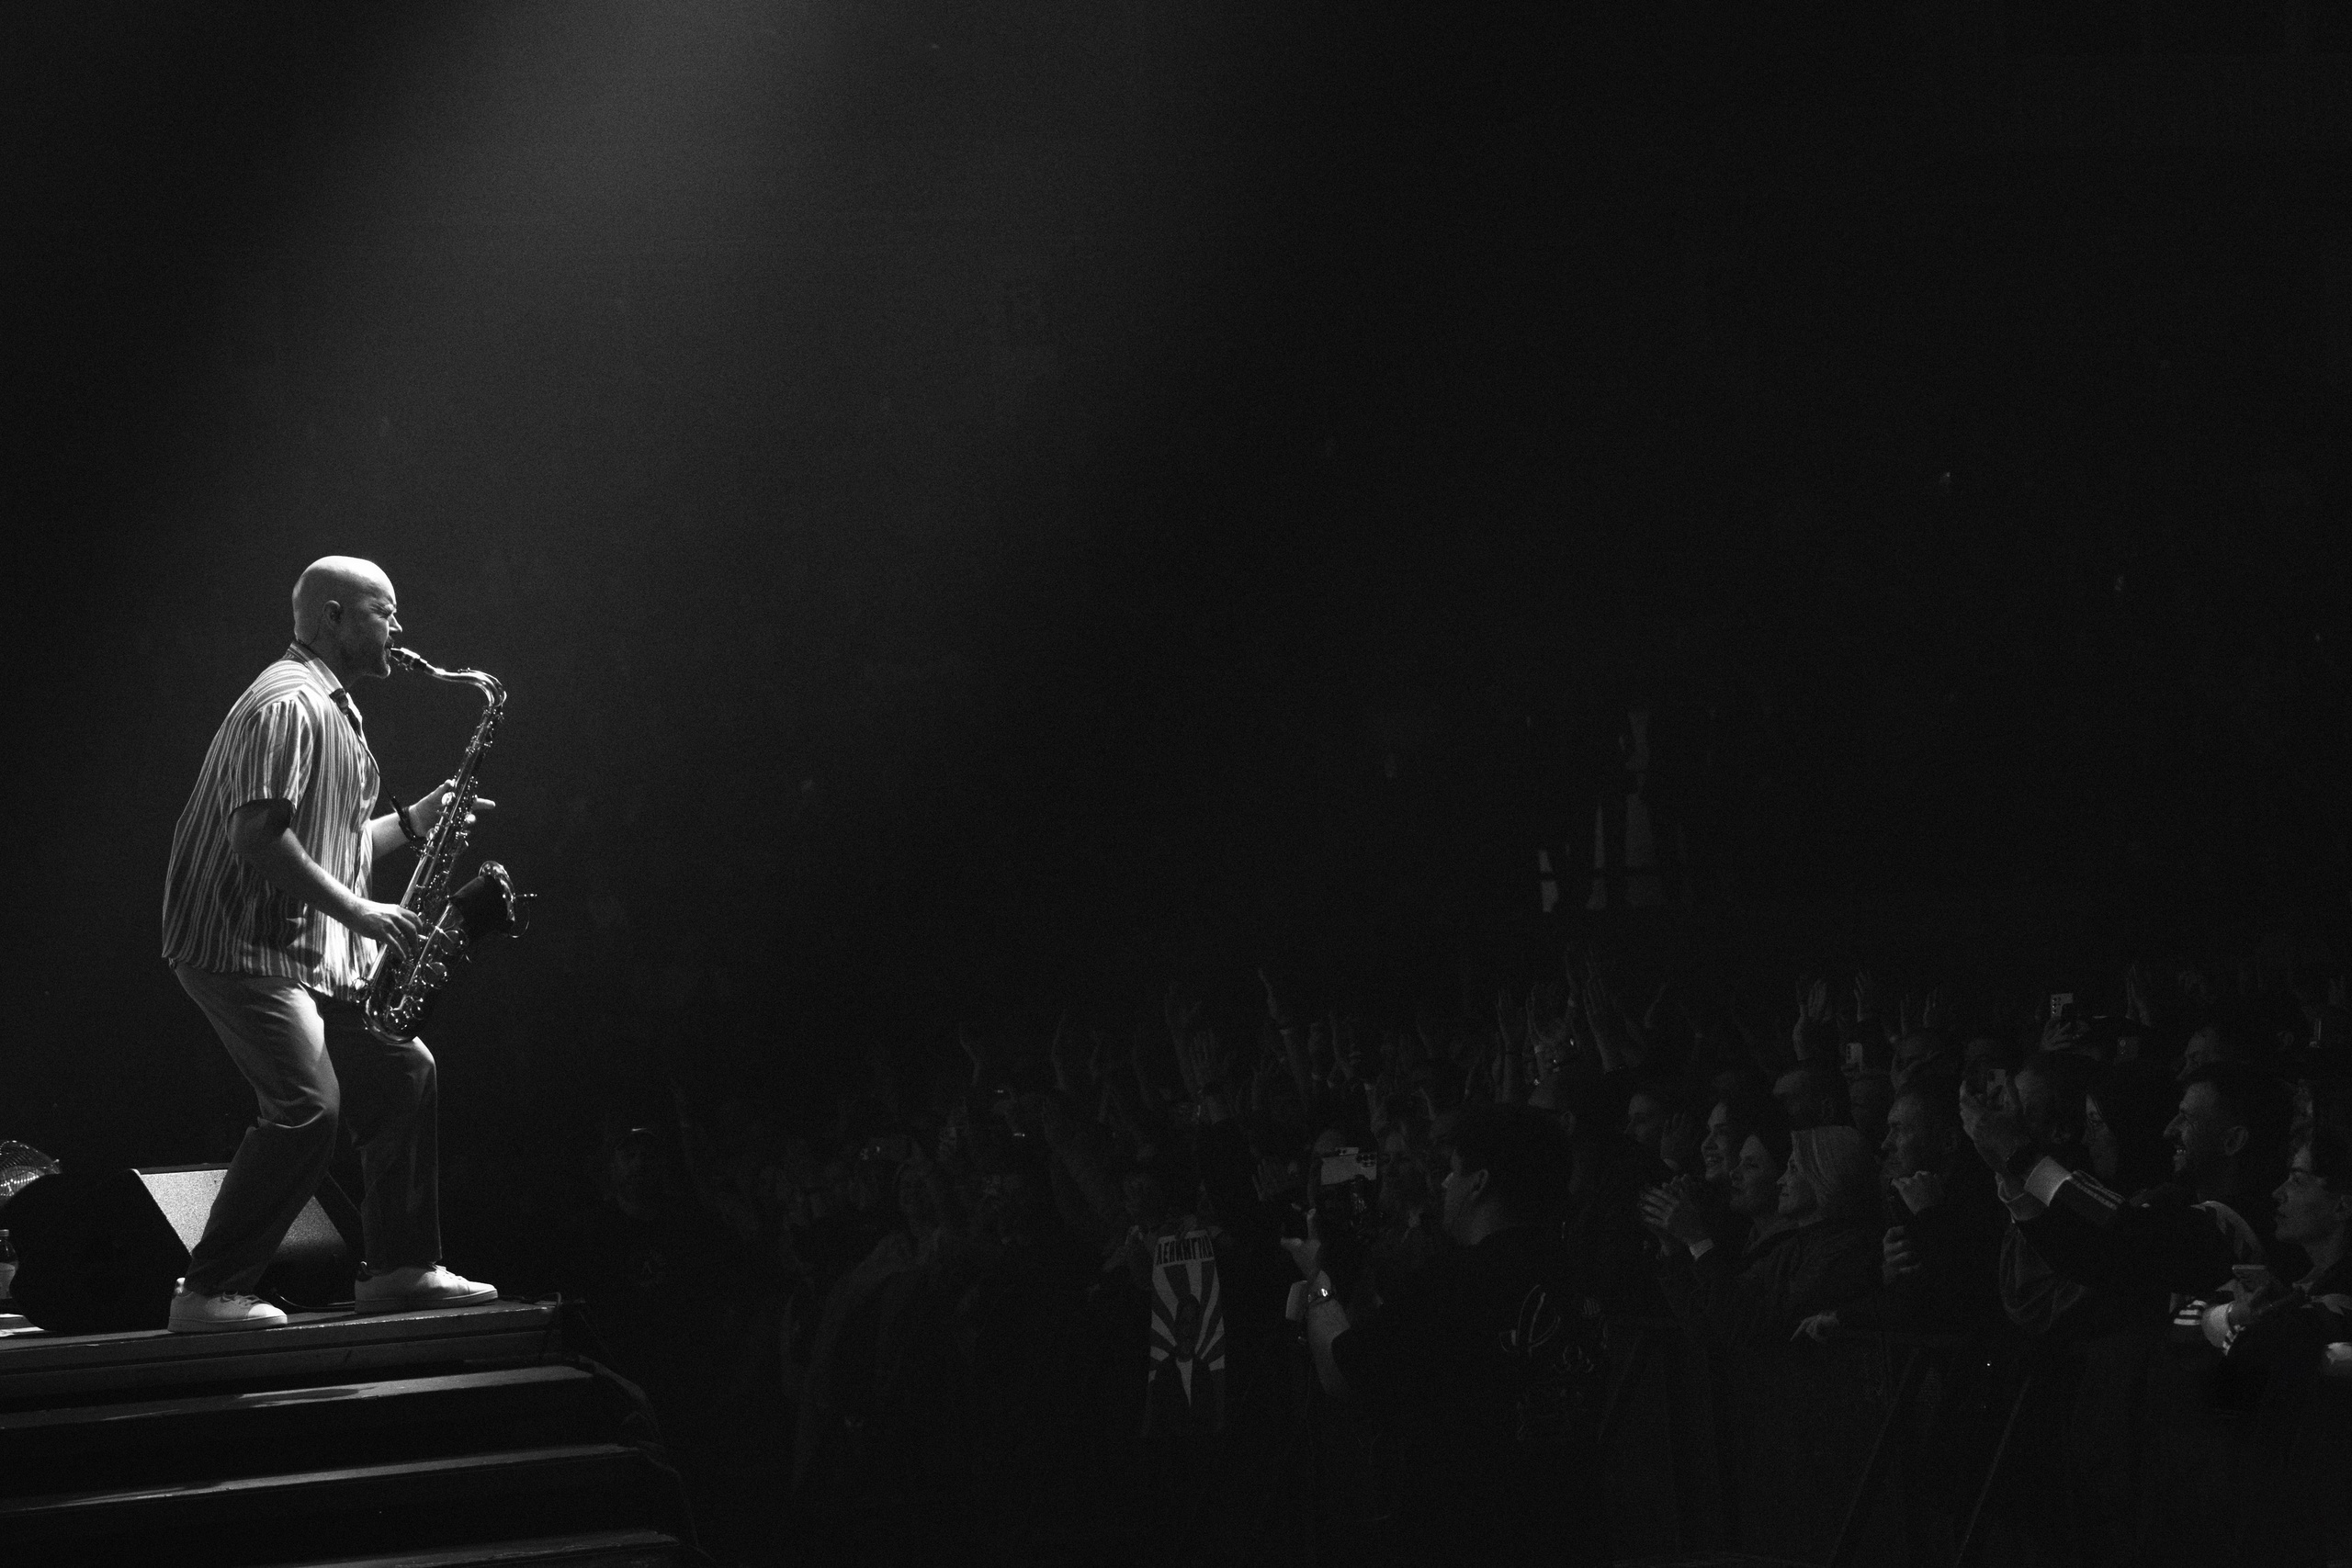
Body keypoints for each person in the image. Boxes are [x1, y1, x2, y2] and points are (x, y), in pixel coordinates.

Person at [159, 557, 496, 1331]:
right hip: (236, 944)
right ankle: (207, 1289)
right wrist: (363, 912)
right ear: (335, 616)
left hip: (294, 950)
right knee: (308, 1106)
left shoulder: (333, 708)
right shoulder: (288, 703)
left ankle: (402, 1268)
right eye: (386, 611)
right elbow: (258, 838)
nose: (400, 629)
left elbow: (334, 846)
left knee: (403, 1070)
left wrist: (420, 818)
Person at [1290, 1102, 1604, 1566]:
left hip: (1473, 1537)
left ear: (1480, 1182)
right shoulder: (1582, 1273)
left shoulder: (1452, 1284)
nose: (1444, 1184)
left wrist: (1317, 1280)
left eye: (1454, 1171)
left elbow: (1343, 1370)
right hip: (1574, 1532)